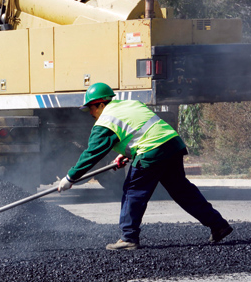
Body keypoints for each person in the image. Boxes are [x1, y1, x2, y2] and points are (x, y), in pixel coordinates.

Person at [58, 82, 233, 250]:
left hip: (151, 151)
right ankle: (218, 225)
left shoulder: (105, 120)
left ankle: (128, 238)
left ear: (101, 104)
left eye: (91, 108)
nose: (90, 113)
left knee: (133, 192)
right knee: (182, 191)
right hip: (172, 144)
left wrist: (70, 178)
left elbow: (92, 153)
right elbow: (141, 130)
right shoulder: (130, 105)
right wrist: (125, 154)